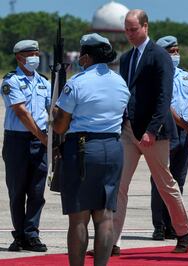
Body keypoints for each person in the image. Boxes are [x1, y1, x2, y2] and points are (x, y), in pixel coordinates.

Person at [113, 9, 188, 254]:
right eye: (126, 30)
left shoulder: (160, 56)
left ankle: (183, 232)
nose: (129, 34)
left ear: (146, 27)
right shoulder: (126, 58)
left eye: (134, 29)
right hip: (129, 130)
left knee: (165, 184)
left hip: (154, 133)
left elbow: (163, 98)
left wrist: (151, 129)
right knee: (119, 186)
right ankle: (112, 241)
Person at [52, 33, 130, 266]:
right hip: (113, 148)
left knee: (79, 218)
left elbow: (60, 126)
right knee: (105, 216)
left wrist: (55, 113)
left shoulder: (78, 82)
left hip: (83, 149)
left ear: (85, 57)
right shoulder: (120, 82)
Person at [1, 40, 50, 252]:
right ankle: (19, 235)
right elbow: (21, 112)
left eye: (37, 53)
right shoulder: (10, 81)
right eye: (30, 54)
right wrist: (43, 137)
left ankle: (32, 234)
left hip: (40, 141)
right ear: (19, 57)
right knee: (17, 191)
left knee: (37, 192)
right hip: (17, 141)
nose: (34, 58)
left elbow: (52, 109)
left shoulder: (45, 82)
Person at [150, 35, 188, 241]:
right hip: (164, 130)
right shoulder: (158, 76)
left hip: (184, 133)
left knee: (179, 179)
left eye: (177, 50)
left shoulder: (187, 77)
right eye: (171, 51)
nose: (175, 54)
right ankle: (159, 225)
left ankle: (172, 225)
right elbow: (165, 106)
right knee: (161, 179)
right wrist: (184, 123)